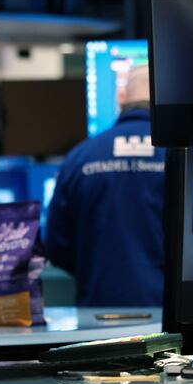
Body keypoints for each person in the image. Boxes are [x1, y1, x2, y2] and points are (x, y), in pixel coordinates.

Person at [45, 65, 166, 307]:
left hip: (99, 313)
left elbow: (57, 245)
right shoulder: (184, 155)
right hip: (171, 312)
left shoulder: (80, 157)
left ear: (121, 98)